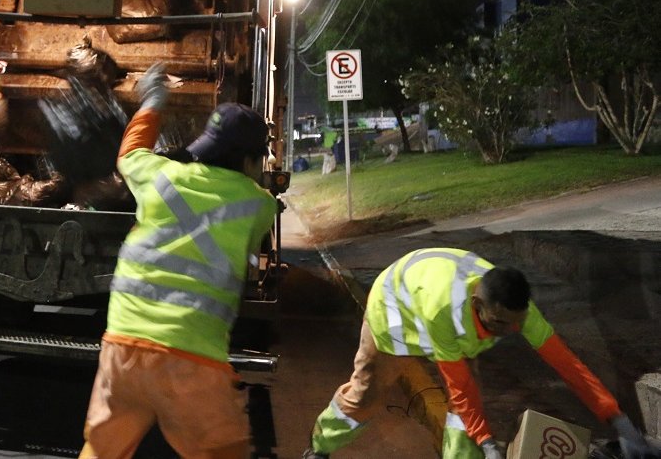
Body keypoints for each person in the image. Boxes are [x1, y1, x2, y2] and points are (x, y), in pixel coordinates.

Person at [80, 63, 279, 459]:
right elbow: (252, 194)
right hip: (192, 361)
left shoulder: (160, 177)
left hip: (122, 349)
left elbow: (130, 155)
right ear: (250, 161)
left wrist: (154, 101)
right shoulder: (259, 205)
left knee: (102, 452)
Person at [303, 247, 660, 459]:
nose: (511, 332)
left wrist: (616, 418)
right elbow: (457, 384)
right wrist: (489, 442)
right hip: (396, 318)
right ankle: (320, 446)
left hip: (445, 313)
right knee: (367, 394)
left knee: (465, 411)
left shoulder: (515, 311)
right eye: (500, 324)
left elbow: (566, 363)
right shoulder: (444, 310)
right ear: (477, 306)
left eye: (516, 324)